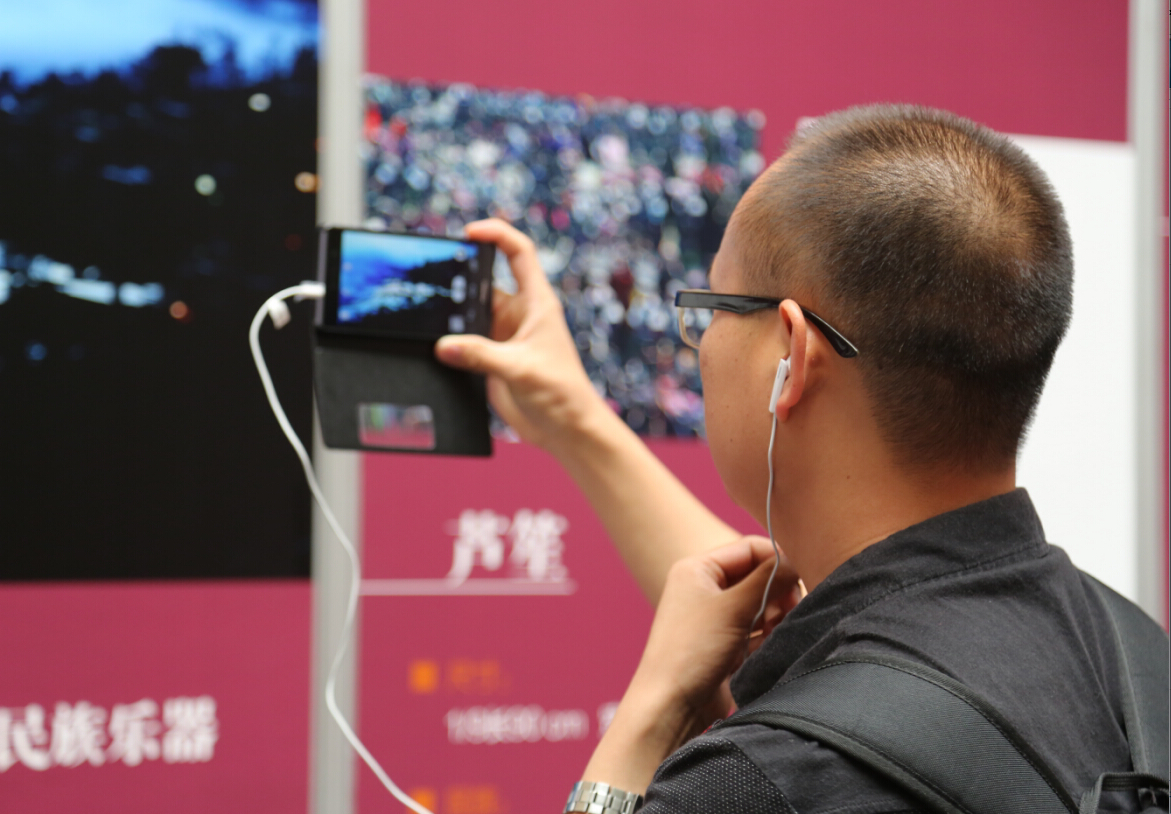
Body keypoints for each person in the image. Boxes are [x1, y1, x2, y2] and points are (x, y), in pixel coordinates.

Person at [435, 104, 1156, 812]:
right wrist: (575, 420)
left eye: (712, 309)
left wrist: (650, 714)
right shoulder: (1135, 660)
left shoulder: (757, 781)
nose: (701, 345)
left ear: (791, 354)